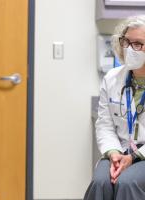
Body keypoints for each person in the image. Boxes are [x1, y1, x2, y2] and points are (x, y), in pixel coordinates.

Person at [84, 15, 145, 200]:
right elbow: (104, 124)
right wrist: (114, 153)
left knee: (127, 182)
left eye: (138, 44)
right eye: (126, 42)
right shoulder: (112, 78)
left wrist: (134, 157)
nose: (129, 49)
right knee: (100, 182)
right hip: (119, 149)